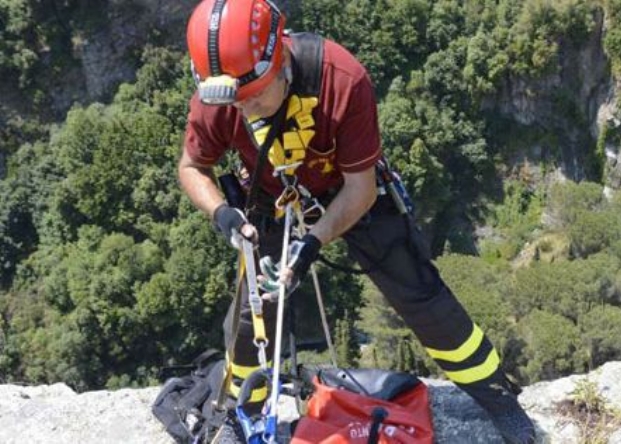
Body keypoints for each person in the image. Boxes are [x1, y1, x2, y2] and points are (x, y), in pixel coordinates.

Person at [178, 1, 536, 443]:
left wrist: (311, 243)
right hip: (269, 197)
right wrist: (224, 215)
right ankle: (240, 410)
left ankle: (496, 394)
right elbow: (192, 167)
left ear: (281, 61)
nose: (245, 108)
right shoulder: (223, 93)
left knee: (419, 292)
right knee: (255, 314)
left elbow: (360, 188)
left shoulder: (341, 80)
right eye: (236, 100)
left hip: (345, 187)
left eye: (252, 96)